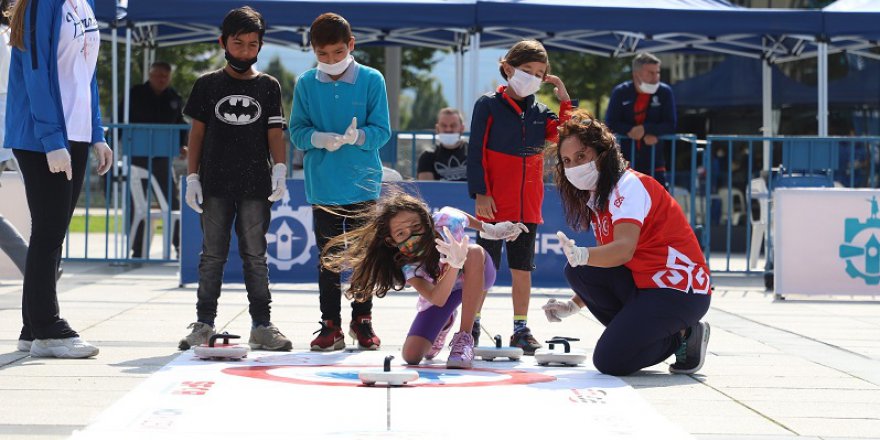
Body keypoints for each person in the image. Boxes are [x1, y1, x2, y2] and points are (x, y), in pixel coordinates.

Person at [542, 109, 711, 376]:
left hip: (678, 291)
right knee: (578, 271)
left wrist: (584, 254)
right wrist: (572, 306)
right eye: (567, 161)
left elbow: (622, 251)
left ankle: (681, 334)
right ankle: (641, 333)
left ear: (603, 154)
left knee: (610, 361)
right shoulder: (599, 196)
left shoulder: (628, 187)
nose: (573, 166)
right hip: (646, 285)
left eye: (581, 156)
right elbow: (607, 265)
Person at [178, 6, 292, 352]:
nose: (244, 51)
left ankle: (262, 324)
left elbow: (275, 133)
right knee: (212, 254)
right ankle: (204, 324)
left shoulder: (269, 86)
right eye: (238, 43)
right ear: (223, 42)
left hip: (255, 184)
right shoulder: (207, 84)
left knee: (256, 254)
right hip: (214, 183)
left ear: (261, 46)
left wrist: (281, 169)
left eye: (252, 45)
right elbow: (196, 134)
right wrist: (193, 176)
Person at [4, 0, 112, 358]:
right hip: (41, 137)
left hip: (76, 133)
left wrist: (97, 132)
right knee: (49, 232)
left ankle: (32, 327)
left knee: (52, 234)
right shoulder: (40, 3)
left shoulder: (86, 2)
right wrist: (51, 138)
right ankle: (49, 329)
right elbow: (36, 71)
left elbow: (86, 72)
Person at [321, 191, 527, 368]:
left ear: (427, 221)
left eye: (416, 227)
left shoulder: (445, 221)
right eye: (401, 233)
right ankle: (445, 323)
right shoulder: (408, 264)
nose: (411, 235)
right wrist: (453, 266)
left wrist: (489, 230)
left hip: (476, 275)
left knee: (473, 252)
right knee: (411, 355)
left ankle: (464, 338)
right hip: (443, 293)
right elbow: (437, 299)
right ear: (392, 241)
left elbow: (459, 215)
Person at [290, 12, 391, 351]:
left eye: (336, 52)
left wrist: (357, 136)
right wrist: (319, 139)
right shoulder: (305, 83)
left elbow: (382, 131)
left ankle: (362, 320)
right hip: (323, 185)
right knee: (329, 258)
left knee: (364, 256)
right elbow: (297, 133)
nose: (330, 60)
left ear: (350, 45)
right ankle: (329, 323)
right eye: (322, 54)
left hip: (363, 183)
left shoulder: (372, 79)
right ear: (313, 50)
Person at [467, 39, 573, 354]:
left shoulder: (543, 112)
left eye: (540, 73)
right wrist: (480, 192)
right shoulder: (487, 104)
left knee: (522, 269)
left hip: (528, 207)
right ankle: (470, 324)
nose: (533, 77)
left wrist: (565, 99)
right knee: (483, 268)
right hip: (493, 203)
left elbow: (567, 137)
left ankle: (520, 328)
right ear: (509, 68)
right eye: (527, 70)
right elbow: (475, 151)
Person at [123, 61, 187, 258]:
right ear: (149, 75)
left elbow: (180, 123)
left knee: (172, 202)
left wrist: (182, 144)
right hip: (138, 155)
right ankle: (138, 249)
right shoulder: (135, 94)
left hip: (162, 158)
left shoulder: (174, 98)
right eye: (157, 75)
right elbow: (122, 117)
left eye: (165, 76)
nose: (161, 79)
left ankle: (179, 246)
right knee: (138, 203)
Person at [605, 52, 676, 189]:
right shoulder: (620, 92)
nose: (656, 77)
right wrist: (629, 131)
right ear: (636, 74)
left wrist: (647, 129)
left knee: (658, 205)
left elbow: (671, 124)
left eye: (657, 73)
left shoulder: (665, 92)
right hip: (624, 162)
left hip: (654, 162)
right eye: (650, 73)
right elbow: (610, 123)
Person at [417, 107, 467, 181]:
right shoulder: (427, 157)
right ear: (437, 128)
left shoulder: (475, 154)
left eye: (453, 125)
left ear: (462, 128)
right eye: (444, 125)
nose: (448, 129)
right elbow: (426, 189)